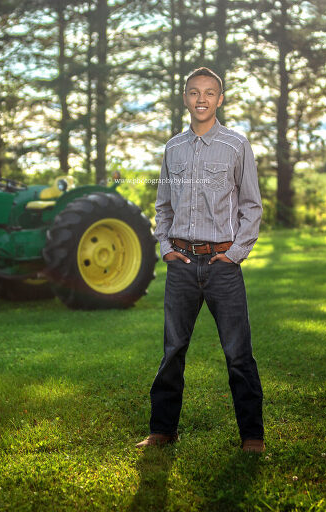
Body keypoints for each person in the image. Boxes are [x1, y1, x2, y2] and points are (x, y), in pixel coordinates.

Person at [136, 67, 265, 453]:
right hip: (181, 265)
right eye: (194, 92)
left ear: (220, 99)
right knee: (173, 350)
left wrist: (235, 255)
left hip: (222, 265)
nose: (202, 99)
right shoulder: (172, 148)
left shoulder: (236, 145)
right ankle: (163, 430)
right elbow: (162, 206)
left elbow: (252, 207)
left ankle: (252, 437)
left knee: (238, 353)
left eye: (210, 93)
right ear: (185, 97)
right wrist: (166, 248)